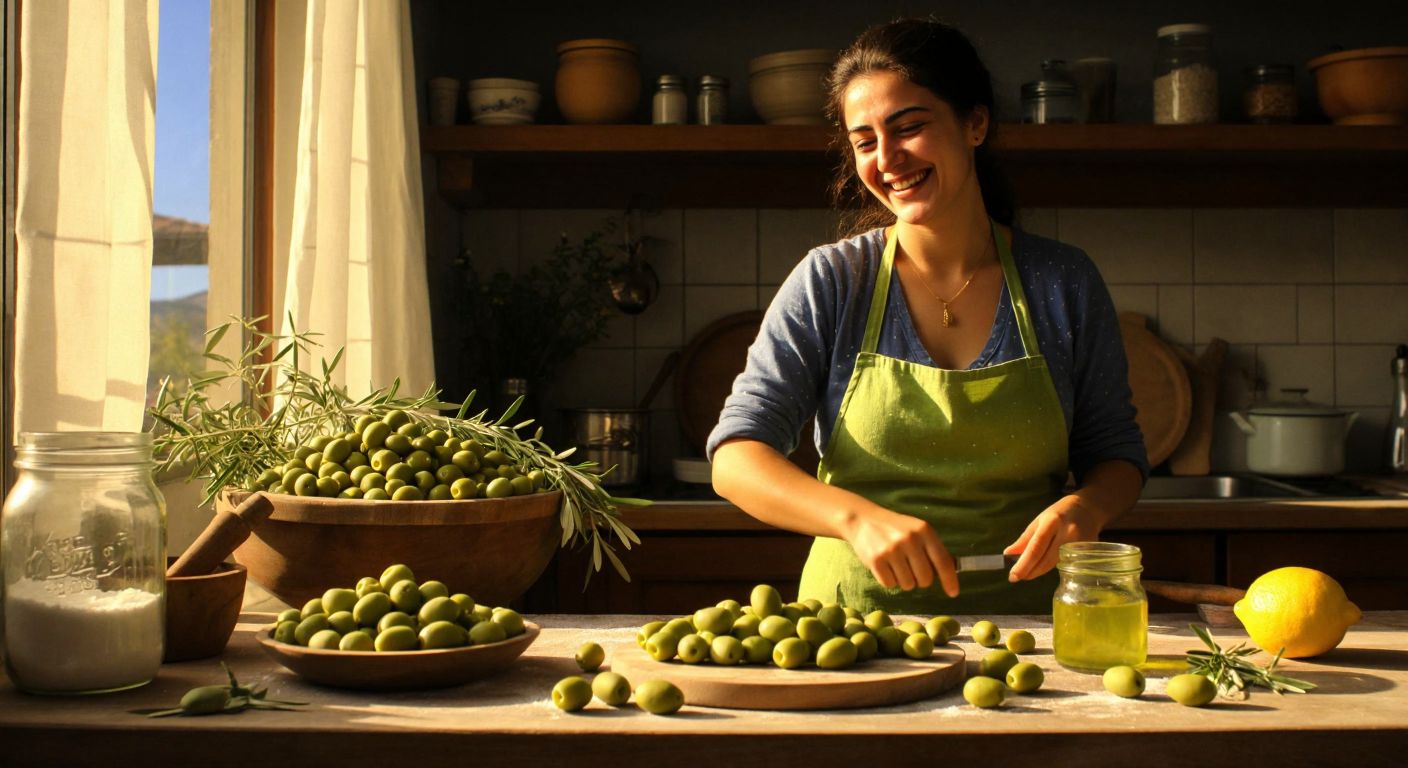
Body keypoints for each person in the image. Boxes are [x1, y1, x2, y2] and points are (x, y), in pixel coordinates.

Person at [708, 18, 1148, 615]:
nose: (887, 159)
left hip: (1032, 631)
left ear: (975, 123)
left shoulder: (1062, 281)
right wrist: (856, 518)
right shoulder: (833, 280)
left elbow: (1116, 453)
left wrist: (1088, 507)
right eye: (865, 141)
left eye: (909, 128)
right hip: (854, 628)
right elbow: (737, 455)